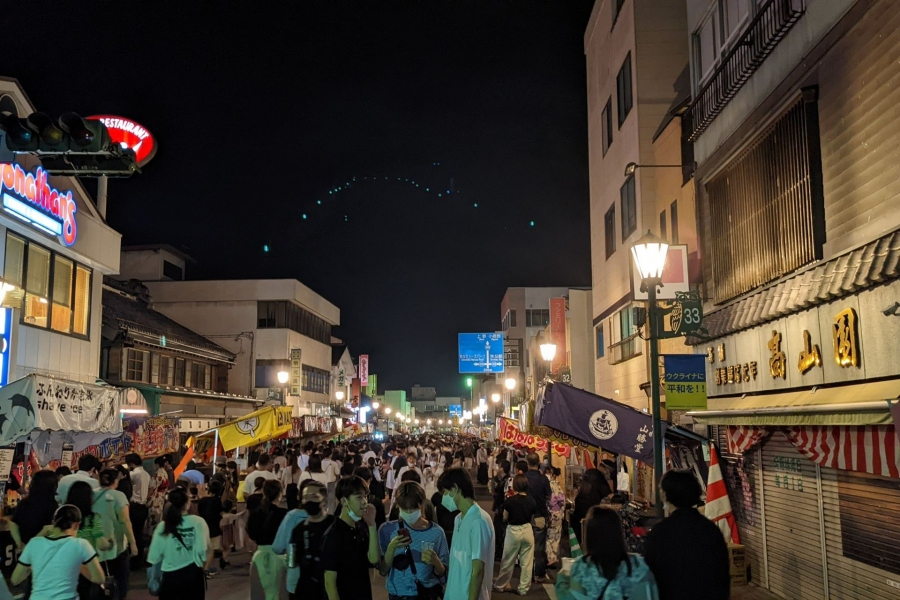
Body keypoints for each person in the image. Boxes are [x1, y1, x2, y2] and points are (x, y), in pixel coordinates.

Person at [644, 470, 730, 600]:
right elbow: (722, 573)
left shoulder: (660, 532)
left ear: (666, 495)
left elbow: (651, 574)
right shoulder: (710, 529)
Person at [555, 507, 658, 600]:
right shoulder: (637, 567)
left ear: (590, 535)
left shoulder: (582, 569)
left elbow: (572, 597)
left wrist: (562, 579)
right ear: (618, 533)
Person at [11, 504, 106, 599]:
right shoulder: (81, 544)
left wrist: (35, 565)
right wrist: (77, 564)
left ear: (53, 523)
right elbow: (99, 579)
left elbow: (15, 579)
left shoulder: (34, 543)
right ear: (76, 525)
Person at [378, 480, 449, 600]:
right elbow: (383, 571)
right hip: (397, 595)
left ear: (421, 504)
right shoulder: (387, 530)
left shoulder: (437, 533)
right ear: (398, 506)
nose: (409, 513)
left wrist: (437, 563)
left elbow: (444, 578)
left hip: (425, 595)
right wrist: (391, 548)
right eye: (404, 509)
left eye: (412, 508)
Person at [437, 467, 495, 600]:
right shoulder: (459, 519)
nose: (443, 498)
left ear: (455, 488)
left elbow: (478, 570)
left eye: (445, 492)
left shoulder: (479, 521)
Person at [320, 475, 379, 600]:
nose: (364, 501)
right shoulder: (333, 535)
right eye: (359, 497)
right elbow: (329, 583)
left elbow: (373, 560)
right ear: (343, 501)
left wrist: (372, 525)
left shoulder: (361, 528)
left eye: (365, 496)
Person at [147, 487, 210, 599]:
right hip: (193, 574)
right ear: (187, 504)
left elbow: (154, 556)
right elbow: (202, 549)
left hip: (170, 577)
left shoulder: (163, 526)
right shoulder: (198, 522)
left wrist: (154, 578)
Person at [275, 480, 333, 600]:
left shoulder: (336, 527)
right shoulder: (299, 530)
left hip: (329, 588)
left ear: (325, 500)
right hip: (303, 588)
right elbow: (292, 560)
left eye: (314, 497)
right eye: (305, 497)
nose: (309, 501)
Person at [93, 468, 138, 600]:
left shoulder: (91, 494)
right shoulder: (119, 496)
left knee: (100, 578)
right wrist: (133, 542)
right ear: (115, 481)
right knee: (121, 578)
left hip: (97, 542)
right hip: (116, 543)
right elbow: (125, 521)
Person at [493, 474, 538, 595]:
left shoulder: (510, 501)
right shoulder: (532, 501)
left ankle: (500, 585)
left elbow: (505, 517)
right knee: (527, 562)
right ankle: (523, 589)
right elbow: (532, 517)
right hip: (527, 530)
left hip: (513, 531)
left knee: (508, 560)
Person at [247, 480, 288, 600]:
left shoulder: (255, 514)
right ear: (280, 494)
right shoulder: (284, 514)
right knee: (277, 594)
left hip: (258, 557)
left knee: (258, 594)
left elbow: (252, 535)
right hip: (279, 557)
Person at [10, 470, 58, 551]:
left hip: (25, 550)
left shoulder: (24, 503)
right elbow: (47, 529)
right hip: (42, 551)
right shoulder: (52, 505)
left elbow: (13, 523)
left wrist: (19, 544)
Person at [524, 452, 551, 583]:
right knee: (539, 546)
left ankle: (526, 572)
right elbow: (549, 497)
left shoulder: (523, 478)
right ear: (539, 462)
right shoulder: (544, 479)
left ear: (527, 463)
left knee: (526, 546)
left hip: (525, 515)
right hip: (540, 514)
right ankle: (539, 573)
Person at [572, 468, 613, 545]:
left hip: (579, 517)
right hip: (591, 518)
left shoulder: (586, 482)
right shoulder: (599, 479)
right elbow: (610, 495)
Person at [198, 479, 230, 571]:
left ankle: (202, 567)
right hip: (214, 528)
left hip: (203, 526)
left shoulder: (203, 500)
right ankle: (206, 569)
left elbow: (199, 512)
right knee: (211, 549)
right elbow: (219, 513)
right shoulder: (217, 501)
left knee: (204, 549)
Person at [126, 453, 151, 569]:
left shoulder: (133, 474)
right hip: (144, 507)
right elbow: (150, 488)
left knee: (133, 534)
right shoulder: (146, 474)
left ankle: (134, 561)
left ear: (131, 464)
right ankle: (140, 559)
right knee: (139, 533)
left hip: (135, 507)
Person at [490, 459, 512, 562]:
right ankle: (500, 552)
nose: (498, 468)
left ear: (502, 468)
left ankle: (500, 552)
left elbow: (499, 496)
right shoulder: (504, 480)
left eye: (499, 466)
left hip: (502, 509)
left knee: (500, 531)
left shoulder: (505, 481)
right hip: (502, 508)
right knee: (500, 531)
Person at [147, 456, 173, 536]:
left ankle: (152, 535)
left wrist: (148, 497)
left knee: (153, 517)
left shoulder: (157, 474)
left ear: (157, 464)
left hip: (156, 498)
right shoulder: (165, 473)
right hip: (161, 497)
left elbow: (152, 488)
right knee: (159, 516)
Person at [546, 466, 566, 569]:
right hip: (557, 513)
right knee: (556, 536)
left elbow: (549, 500)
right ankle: (552, 557)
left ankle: (550, 557)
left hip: (549, 513)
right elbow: (562, 500)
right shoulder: (557, 485)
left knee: (549, 535)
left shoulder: (548, 485)